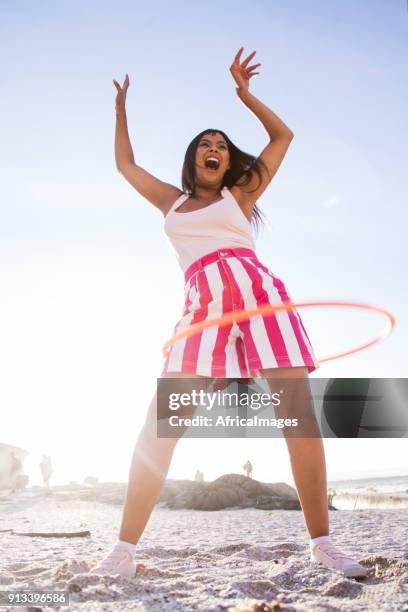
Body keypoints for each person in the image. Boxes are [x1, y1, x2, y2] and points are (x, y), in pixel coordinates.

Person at [90, 48, 367, 579]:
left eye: (221, 145)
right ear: (193, 158)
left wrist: (245, 95)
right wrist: (122, 110)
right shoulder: (170, 203)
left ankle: (323, 543)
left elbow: (283, 138)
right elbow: (125, 165)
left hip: (259, 296)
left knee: (299, 419)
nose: (214, 149)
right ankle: (123, 550)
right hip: (203, 308)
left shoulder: (241, 194)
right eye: (205, 145)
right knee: (161, 426)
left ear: (227, 160)